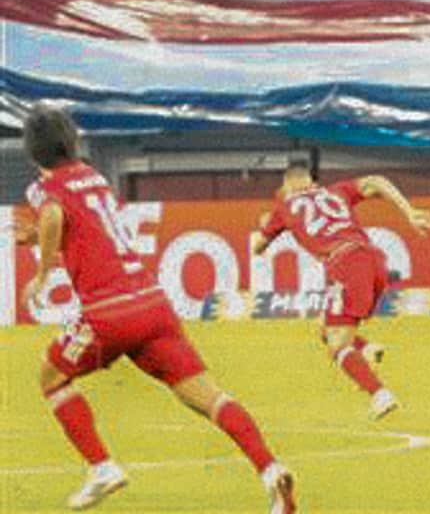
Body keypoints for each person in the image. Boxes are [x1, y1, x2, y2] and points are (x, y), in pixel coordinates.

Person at [21, 104, 295, 513]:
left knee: (51, 377)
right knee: (208, 397)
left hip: (108, 311)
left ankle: (102, 467)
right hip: (152, 304)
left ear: (32, 151)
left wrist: (42, 272)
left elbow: (55, 214)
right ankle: (271, 471)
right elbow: (83, 230)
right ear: (71, 140)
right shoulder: (93, 178)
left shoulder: (45, 190)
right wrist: (42, 238)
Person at [250, 155, 430, 420]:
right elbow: (377, 181)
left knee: (337, 344)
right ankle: (367, 349)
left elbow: (258, 247)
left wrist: (265, 226)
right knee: (325, 327)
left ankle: (379, 395)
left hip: (345, 264)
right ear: (311, 181)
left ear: (288, 184)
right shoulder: (336, 191)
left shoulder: (284, 206)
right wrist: (409, 212)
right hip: (373, 259)